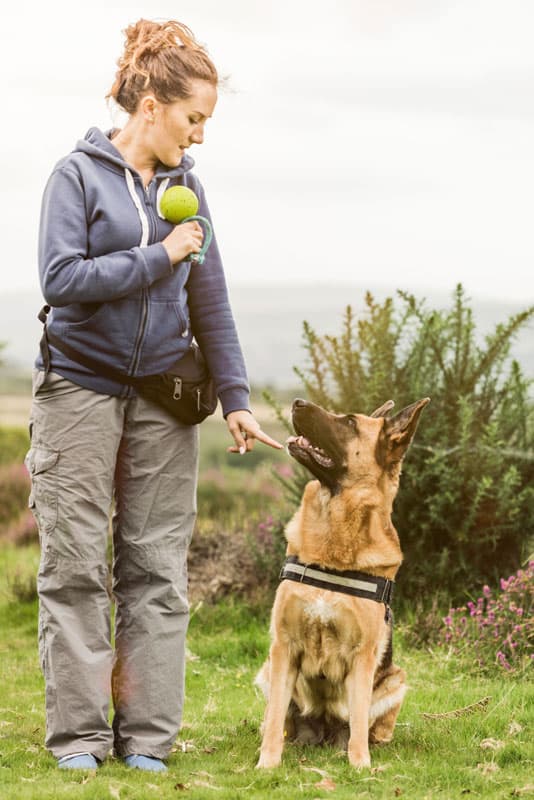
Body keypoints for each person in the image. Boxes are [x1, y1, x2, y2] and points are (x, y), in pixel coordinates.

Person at [26, 18, 283, 773]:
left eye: (205, 121)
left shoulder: (188, 188)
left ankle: (147, 739)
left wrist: (234, 397)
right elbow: (62, 281)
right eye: (193, 118)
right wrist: (156, 254)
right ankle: (79, 739)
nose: (199, 136)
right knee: (75, 567)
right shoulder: (76, 177)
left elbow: (213, 302)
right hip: (77, 388)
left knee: (157, 570)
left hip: (165, 402)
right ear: (151, 106)